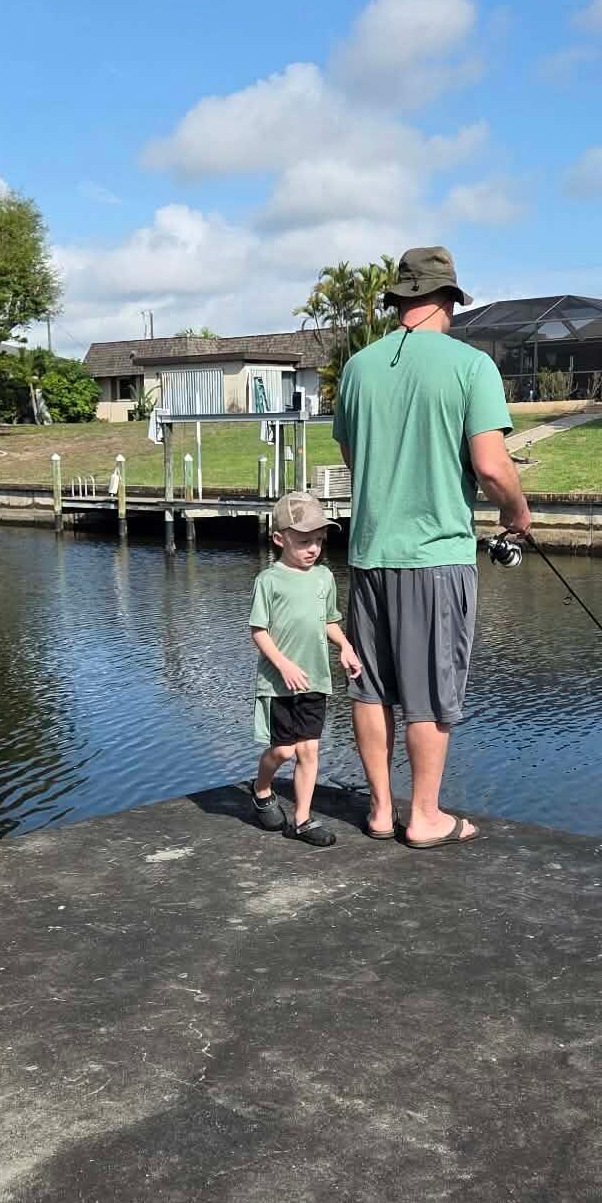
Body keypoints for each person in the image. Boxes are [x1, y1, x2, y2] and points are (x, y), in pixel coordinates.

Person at [332, 245, 532, 848]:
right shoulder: (471, 367)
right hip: (436, 557)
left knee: (369, 685)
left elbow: (352, 456)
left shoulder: (357, 368)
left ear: (399, 301)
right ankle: (423, 816)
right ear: (450, 300)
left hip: (367, 556)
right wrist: (518, 514)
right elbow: (492, 467)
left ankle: (377, 809)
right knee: (431, 688)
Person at [248, 490, 363, 848]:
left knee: (309, 750)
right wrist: (282, 665)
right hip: (280, 683)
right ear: (280, 539)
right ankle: (262, 788)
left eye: (318, 540)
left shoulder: (324, 577)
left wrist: (345, 646)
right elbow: (258, 631)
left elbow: (328, 620)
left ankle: (301, 820)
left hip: (315, 680)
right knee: (283, 751)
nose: (313, 548)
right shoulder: (269, 581)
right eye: (303, 541)